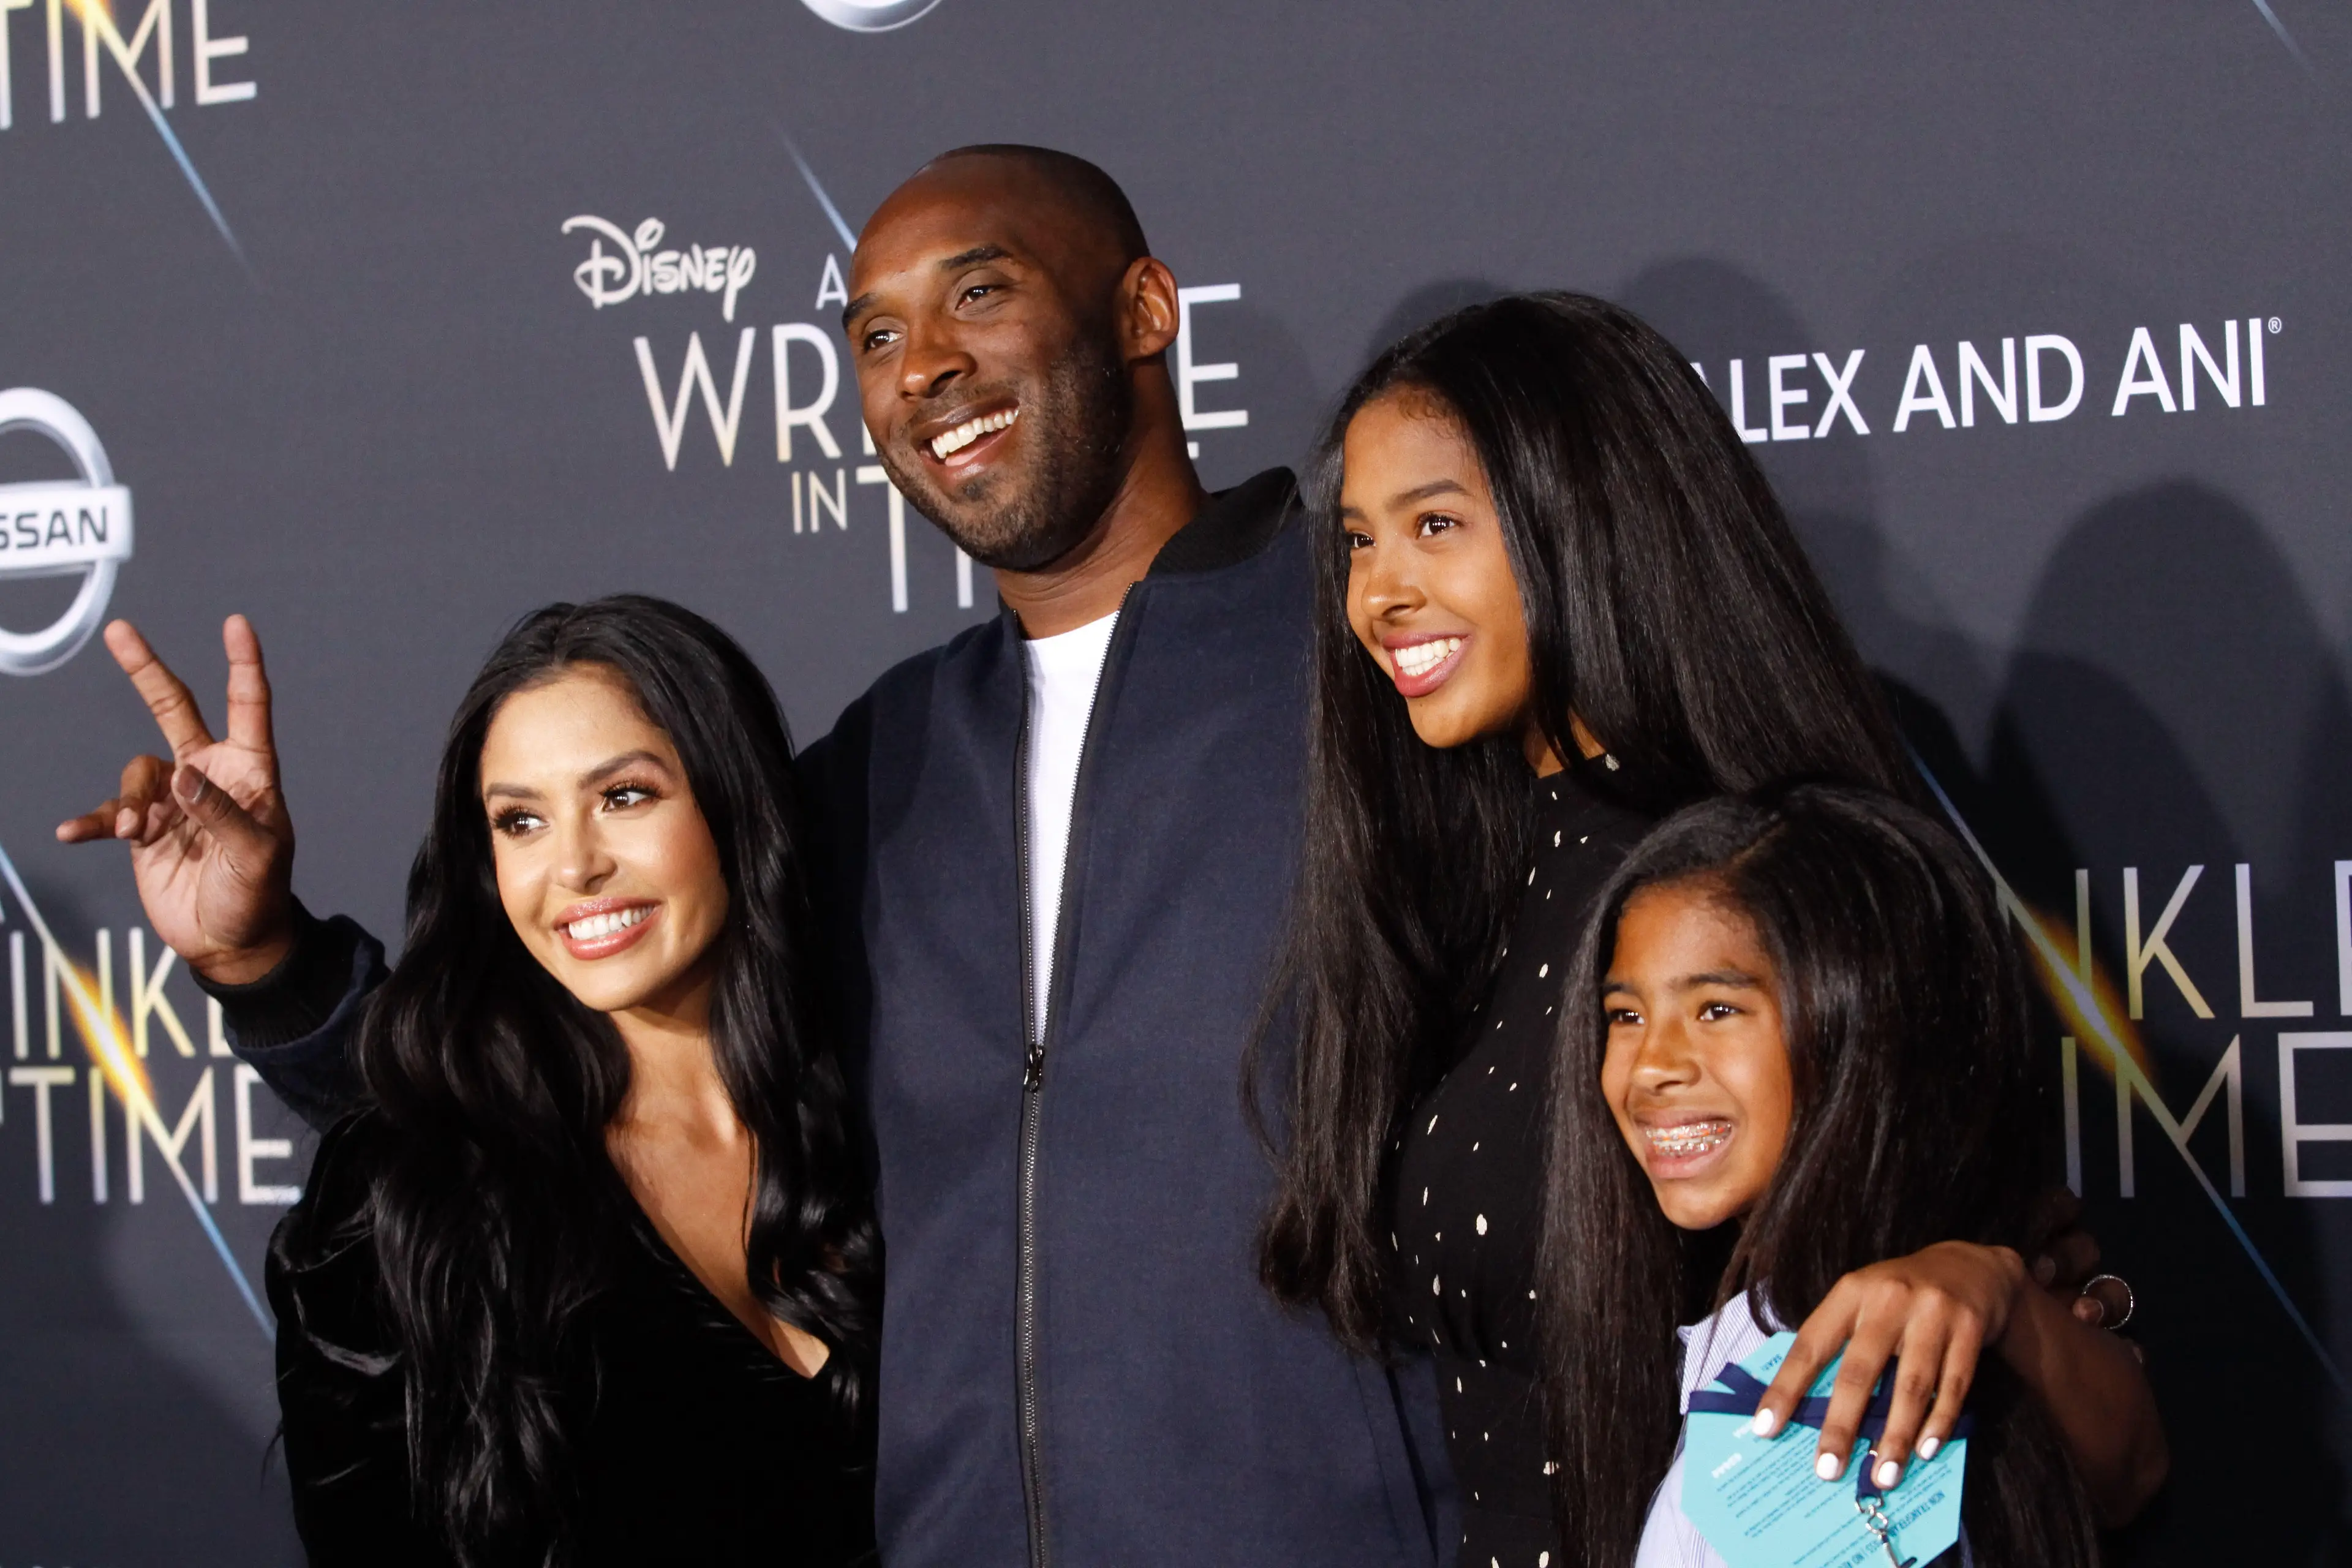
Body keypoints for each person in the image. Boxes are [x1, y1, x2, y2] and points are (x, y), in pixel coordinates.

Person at [61, 148, 1450, 1567]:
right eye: (876, 336)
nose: (923, 368)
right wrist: (271, 963)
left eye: (980, 292)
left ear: (1146, 308)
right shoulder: (893, 761)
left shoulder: (1379, 666)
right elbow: (555, 1057)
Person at [1254, 293, 2165, 1566]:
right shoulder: (1465, 891)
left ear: (1588, 523)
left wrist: (1998, 1283)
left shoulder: (1764, 887)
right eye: (1358, 542)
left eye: (1437, 526)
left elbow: (2092, 1441)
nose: (1380, 595)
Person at [62, 598, 878, 1565]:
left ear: (733, 803)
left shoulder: (882, 1112)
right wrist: (261, 960)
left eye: (624, 796)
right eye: (521, 820)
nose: (574, 865)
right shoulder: (403, 1209)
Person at [1564, 783, 2154, 1567]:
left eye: (1716, 1010)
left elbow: (2136, 1470)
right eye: (1625, 1016)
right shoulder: (1731, 1329)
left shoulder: (1887, 1345)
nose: (1652, 1070)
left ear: (1860, 1024)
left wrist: (2004, 1297)